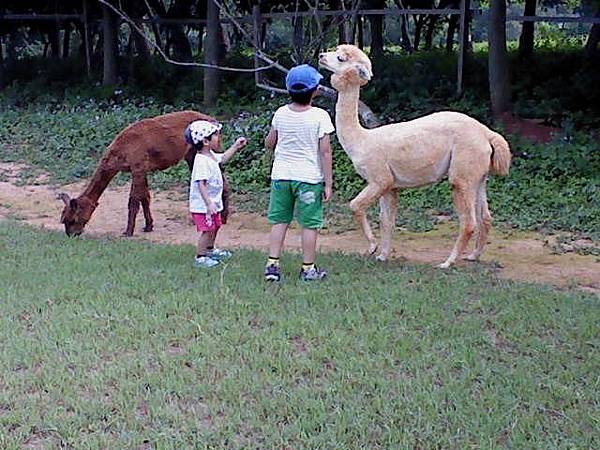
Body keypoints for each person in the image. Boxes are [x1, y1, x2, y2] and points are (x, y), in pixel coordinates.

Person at [263, 64, 335, 282]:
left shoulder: (280, 113)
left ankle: (272, 266)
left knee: (279, 221)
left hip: (281, 177)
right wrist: (328, 183)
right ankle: (308, 268)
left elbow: (270, 143)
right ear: (314, 91)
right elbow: (325, 152)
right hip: (309, 180)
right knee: (310, 224)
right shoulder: (320, 116)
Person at [185, 120, 247, 268]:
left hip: (213, 203)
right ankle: (200, 257)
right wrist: (208, 203)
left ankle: (210, 249)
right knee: (207, 230)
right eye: (215, 136)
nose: (218, 138)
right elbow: (201, 184)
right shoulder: (201, 161)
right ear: (206, 141)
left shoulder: (210, 155)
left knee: (215, 226)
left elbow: (223, 158)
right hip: (204, 206)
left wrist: (236, 147)